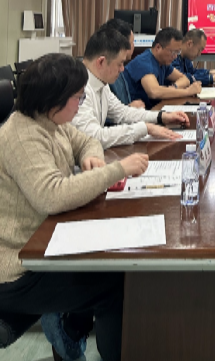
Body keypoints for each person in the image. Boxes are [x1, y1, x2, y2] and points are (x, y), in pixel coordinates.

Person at [0, 53, 149, 361]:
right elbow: (52, 196)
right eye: (78, 98)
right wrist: (117, 170)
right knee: (113, 286)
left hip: (49, 239)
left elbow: (85, 140)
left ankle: (69, 328)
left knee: (113, 263)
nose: (81, 104)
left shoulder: (50, 120)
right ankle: (78, 335)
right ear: (54, 98)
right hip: (21, 265)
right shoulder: (22, 136)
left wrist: (89, 156)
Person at [72, 28, 190, 149]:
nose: (122, 69)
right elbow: (94, 137)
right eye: (120, 64)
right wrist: (145, 128)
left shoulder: (101, 82)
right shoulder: (76, 87)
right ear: (101, 62)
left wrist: (161, 116)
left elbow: (122, 113)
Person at [122, 27, 202, 109]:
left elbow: (184, 78)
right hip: (133, 111)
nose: (175, 56)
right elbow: (154, 92)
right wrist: (187, 92)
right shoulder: (144, 62)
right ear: (158, 47)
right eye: (173, 52)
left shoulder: (163, 62)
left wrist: (174, 87)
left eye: (178, 52)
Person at [99, 18, 145, 108]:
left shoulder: (118, 67)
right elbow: (108, 113)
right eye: (132, 42)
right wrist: (130, 107)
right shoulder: (107, 73)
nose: (134, 46)